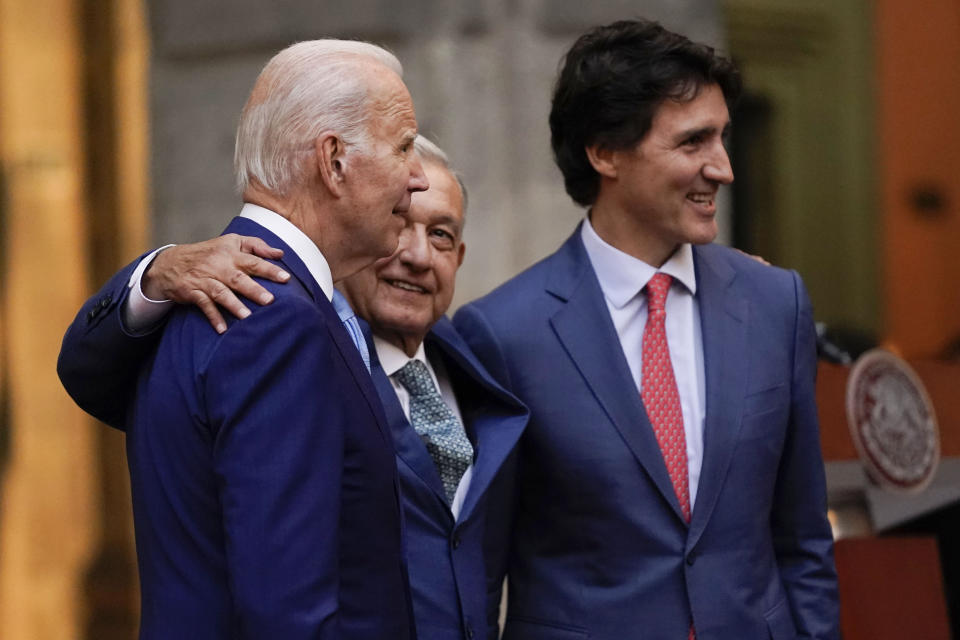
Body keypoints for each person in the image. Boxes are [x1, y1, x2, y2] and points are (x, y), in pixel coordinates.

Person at [452, 19, 839, 640]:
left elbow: (802, 540)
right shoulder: (501, 335)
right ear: (604, 152)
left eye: (723, 138)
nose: (724, 168)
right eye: (693, 143)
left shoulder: (775, 303)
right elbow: (480, 567)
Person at [58, 136, 527, 640]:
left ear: (459, 256)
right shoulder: (283, 355)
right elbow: (91, 370)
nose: (415, 255)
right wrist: (156, 272)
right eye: (402, 225)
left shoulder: (488, 359)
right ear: (365, 233)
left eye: (439, 234)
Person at [59, 39, 429, 639]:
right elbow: (288, 611)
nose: (417, 179)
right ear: (332, 161)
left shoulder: (213, 300)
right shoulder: (272, 314)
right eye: (405, 147)